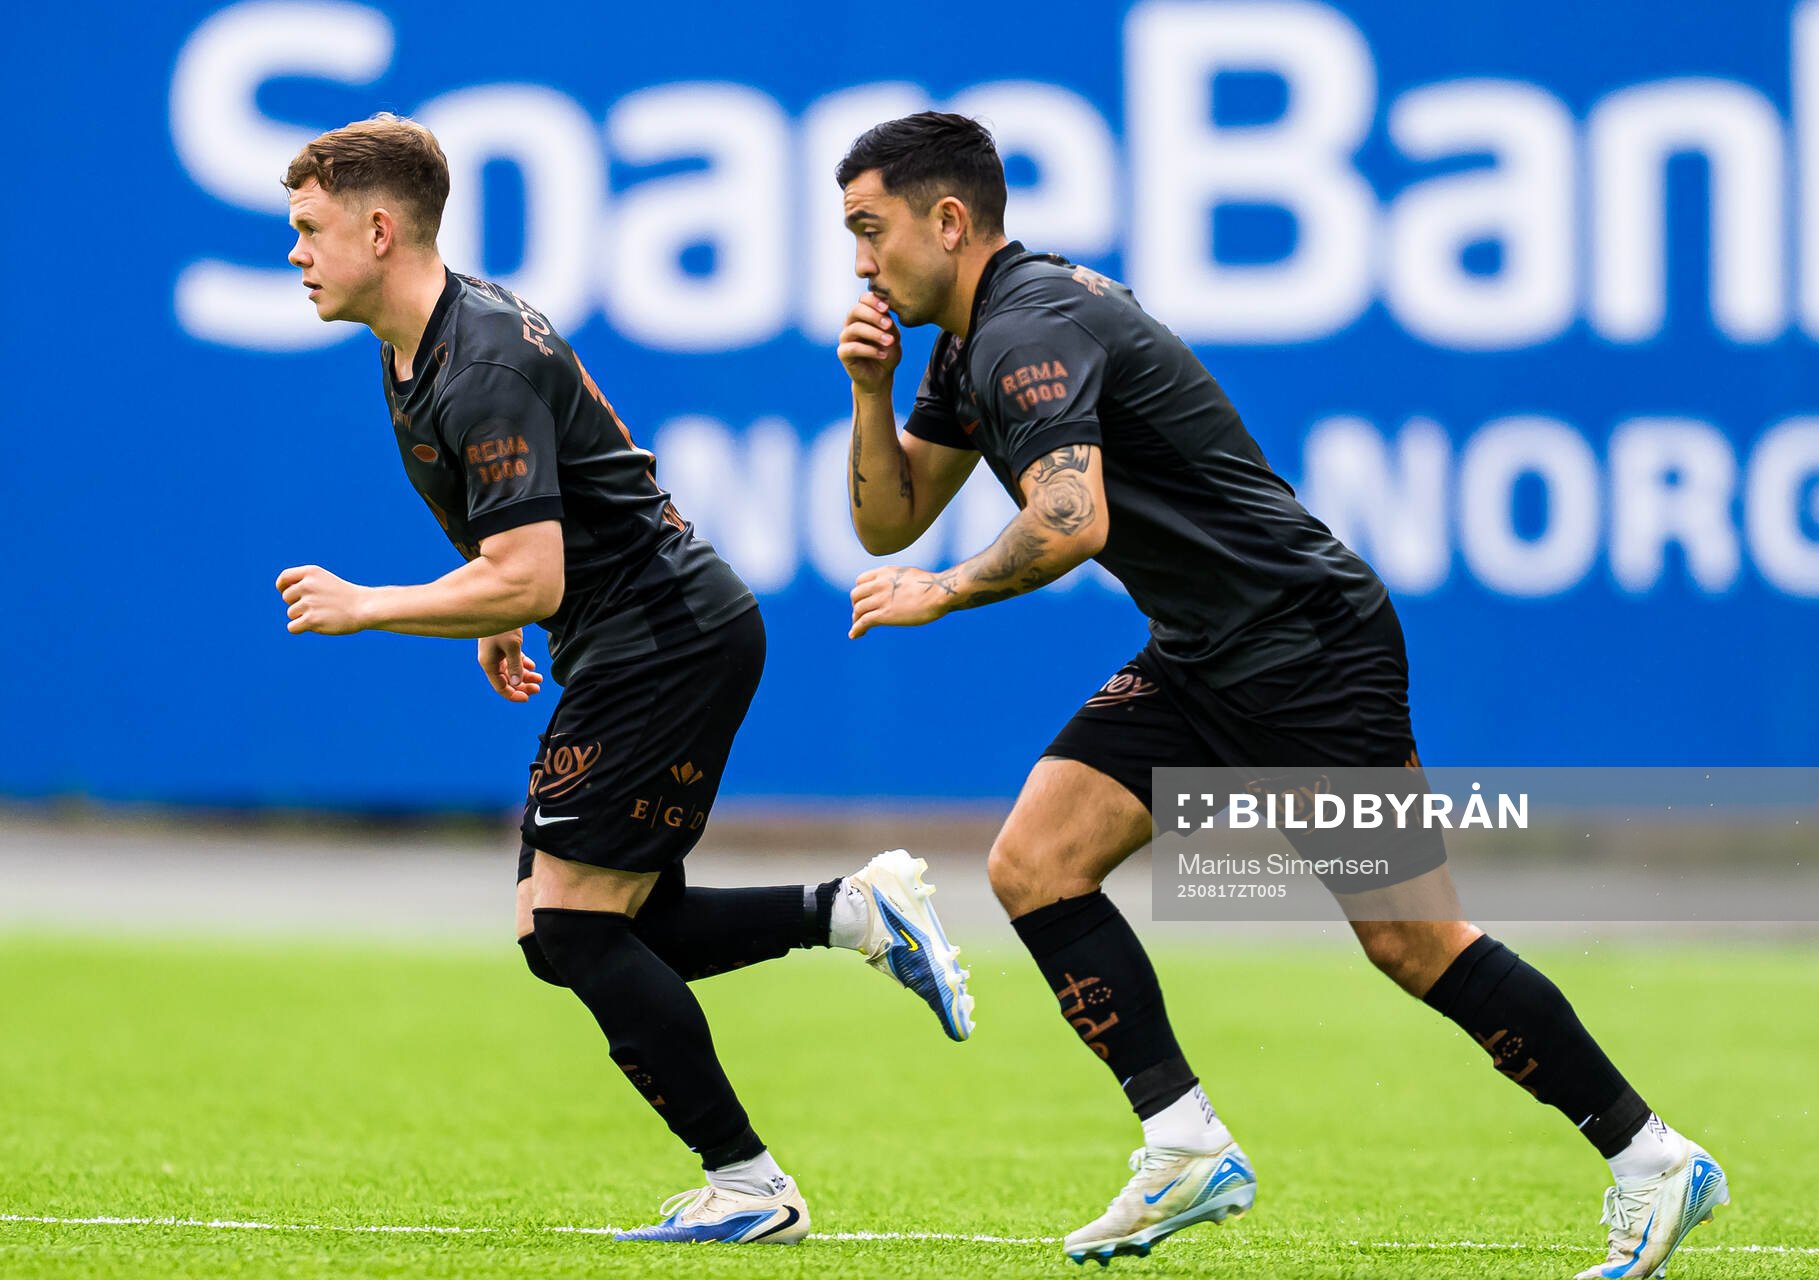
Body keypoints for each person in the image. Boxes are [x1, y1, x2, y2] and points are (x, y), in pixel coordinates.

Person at [832, 111, 1727, 1275]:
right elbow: (889, 513)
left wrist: (942, 592)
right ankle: (1182, 1140)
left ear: (949, 222)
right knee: (1035, 863)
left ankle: (1653, 1157)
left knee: (1413, 941)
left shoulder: (1025, 329)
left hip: (1309, 648)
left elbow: (1069, 517)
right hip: (1206, 647)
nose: (860, 260)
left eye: (871, 228)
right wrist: (868, 389)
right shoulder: (966, 341)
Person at [275, 112, 974, 1246]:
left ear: (381, 226)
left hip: (669, 636)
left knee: (578, 924)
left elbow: (534, 566)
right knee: (562, 931)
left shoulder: (481, 359)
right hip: (638, 636)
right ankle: (852, 910)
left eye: (308, 229)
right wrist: (489, 601)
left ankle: (750, 1184)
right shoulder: (419, 347)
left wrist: (375, 605)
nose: (296, 253)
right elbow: (522, 546)